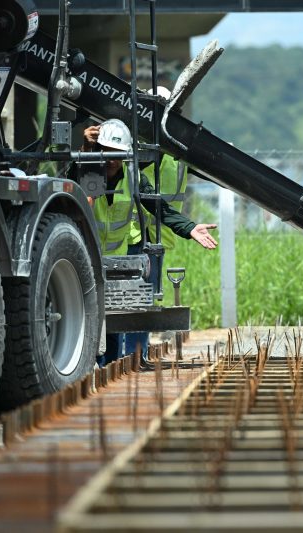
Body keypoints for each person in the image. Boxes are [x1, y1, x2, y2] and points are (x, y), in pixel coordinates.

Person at [83, 118, 217, 366]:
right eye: (107, 152)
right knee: (94, 318)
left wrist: (190, 228)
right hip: (86, 259)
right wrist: (84, 147)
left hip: (118, 261)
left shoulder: (133, 177)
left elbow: (159, 208)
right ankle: (97, 368)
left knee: (115, 318)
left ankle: (110, 371)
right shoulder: (87, 173)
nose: (111, 159)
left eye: (118, 153)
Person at [125, 88, 190, 364]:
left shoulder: (179, 153)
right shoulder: (133, 146)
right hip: (131, 235)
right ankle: (125, 357)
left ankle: (137, 355)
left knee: (147, 298)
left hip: (159, 237)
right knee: (127, 300)